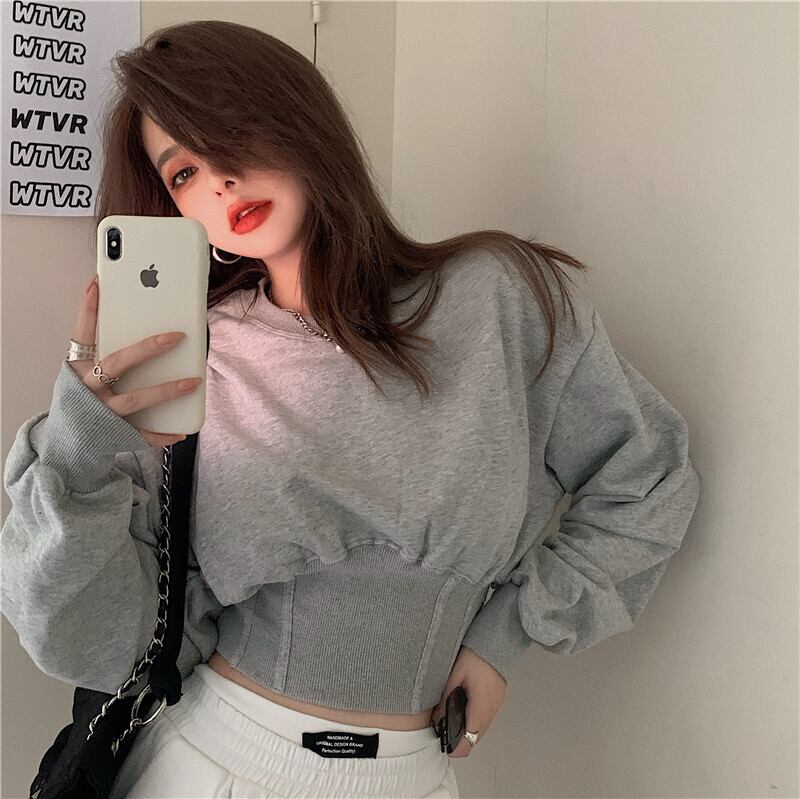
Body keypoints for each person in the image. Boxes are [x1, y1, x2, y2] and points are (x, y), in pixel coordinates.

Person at [0, 19, 701, 799]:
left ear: (300, 119)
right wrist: (76, 445)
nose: (220, 180)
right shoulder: (196, 360)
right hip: (211, 759)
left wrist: (504, 637)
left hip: (415, 776)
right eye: (185, 171)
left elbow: (648, 477)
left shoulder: (495, 298)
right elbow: (86, 635)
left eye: (230, 132)